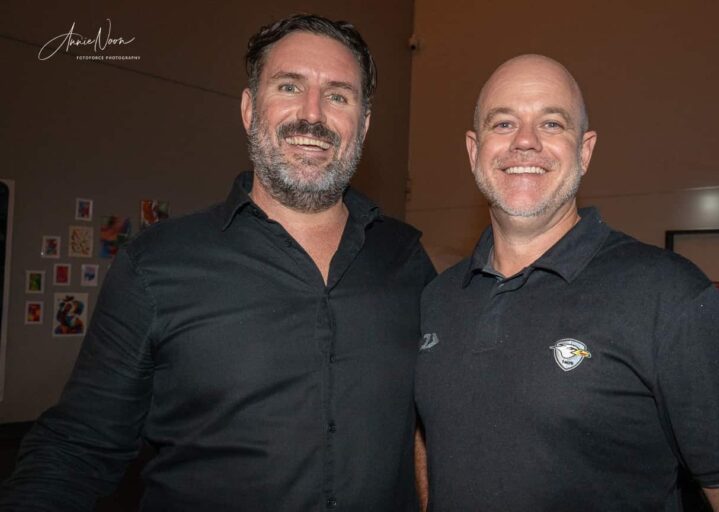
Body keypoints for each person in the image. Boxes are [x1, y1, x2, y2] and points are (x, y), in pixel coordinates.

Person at [2, 14, 434, 511]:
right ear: (250, 109)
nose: (312, 114)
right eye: (289, 87)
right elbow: (76, 449)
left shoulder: (407, 260)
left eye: (338, 96)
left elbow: (434, 421)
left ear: (364, 123)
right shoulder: (156, 265)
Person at [414, 54, 719, 511]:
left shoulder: (668, 294)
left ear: (584, 151)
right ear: (473, 149)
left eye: (551, 124)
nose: (525, 141)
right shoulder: (437, 298)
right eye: (503, 124)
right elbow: (430, 442)